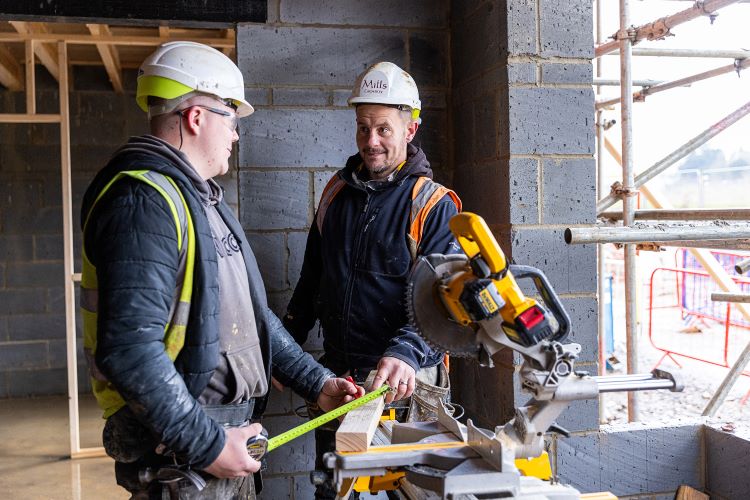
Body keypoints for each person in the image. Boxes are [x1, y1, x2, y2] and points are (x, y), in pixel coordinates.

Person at [80, 41, 362, 500]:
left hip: (219, 443)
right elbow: (130, 350)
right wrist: (207, 444)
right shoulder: (142, 202)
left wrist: (317, 383)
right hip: (185, 451)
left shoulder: (200, 200)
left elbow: (250, 317)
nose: (235, 134)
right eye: (231, 117)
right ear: (196, 117)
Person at [283, 61, 462, 498]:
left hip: (410, 380)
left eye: (383, 129)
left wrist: (405, 352)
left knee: (413, 491)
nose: (371, 141)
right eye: (363, 128)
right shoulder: (335, 194)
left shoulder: (434, 205)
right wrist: (284, 345)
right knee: (334, 488)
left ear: (411, 129)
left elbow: (445, 305)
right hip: (340, 378)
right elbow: (312, 279)